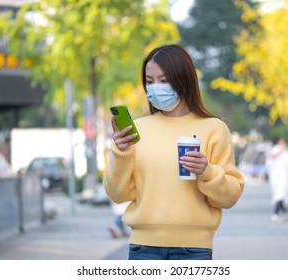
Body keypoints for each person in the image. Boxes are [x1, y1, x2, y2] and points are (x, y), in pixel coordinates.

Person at [104, 44, 245, 260]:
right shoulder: (137, 130)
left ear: (183, 79)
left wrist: (207, 172)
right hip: (143, 250)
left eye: (163, 80)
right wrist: (120, 153)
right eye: (149, 82)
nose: (155, 88)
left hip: (194, 251)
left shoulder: (214, 129)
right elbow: (117, 194)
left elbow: (229, 197)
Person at [265, 137, 288, 223]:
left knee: (278, 195)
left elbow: (268, 166)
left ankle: (284, 212)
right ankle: (275, 214)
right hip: (283, 177)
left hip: (273, 178)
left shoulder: (270, 152)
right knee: (280, 196)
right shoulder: (286, 153)